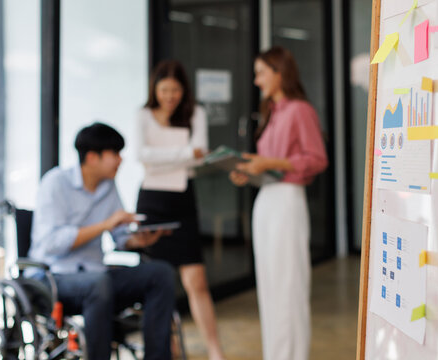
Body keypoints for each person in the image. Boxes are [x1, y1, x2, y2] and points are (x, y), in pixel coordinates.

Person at [29, 122, 175, 360]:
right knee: (99, 284)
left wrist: (140, 240)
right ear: (92, 157)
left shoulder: (108, 186)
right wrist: (105, 225)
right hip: (54, 278)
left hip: (98, 277)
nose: (121, 160)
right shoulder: (55, 183)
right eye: (115, 154)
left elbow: (119, 238)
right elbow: (51, 243)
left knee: (160, 273)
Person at [229, 46, 328, 360]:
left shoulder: (300, 110)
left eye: (261, 73)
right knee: (270, 288)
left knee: (288, 288)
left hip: (287, 201)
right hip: (266, 199)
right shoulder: (272, 112)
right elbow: (271, 163)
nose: (257, 81)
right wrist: (250, 171)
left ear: (279, 72)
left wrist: (270, 162)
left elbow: (316, 159)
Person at [135, 60, 227, 360]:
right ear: (155, 89)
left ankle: (214, 349)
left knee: (195, 280)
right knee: (157, 281)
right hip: (151, 201)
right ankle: (167, 348)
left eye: (175, 90)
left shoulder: (195, 113)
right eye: (164, 90)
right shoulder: (144, 115)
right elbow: (142, 156)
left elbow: (200, 159)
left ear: (183, 90)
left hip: (182, 199)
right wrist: (185, 153)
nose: (169, 96)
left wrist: (166, 157)